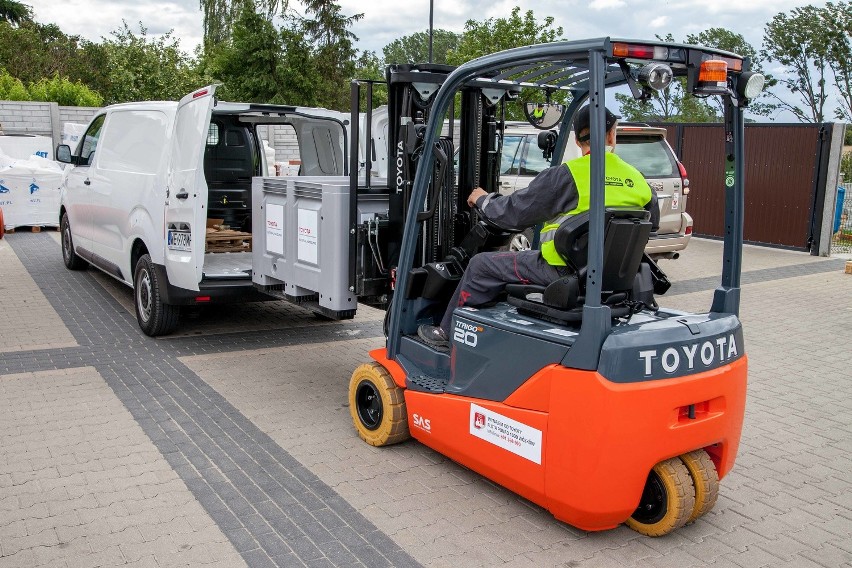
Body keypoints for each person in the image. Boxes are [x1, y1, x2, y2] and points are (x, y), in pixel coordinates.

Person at [417, 105, 659, 350]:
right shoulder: (638, 179)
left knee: (481, 265)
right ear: (611, 135)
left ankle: (446, 333)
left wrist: (482, 199)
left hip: (562, 272)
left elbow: (512, 214)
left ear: (577, 139)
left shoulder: (569, 175)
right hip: (614, 278)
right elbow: (652, 225)